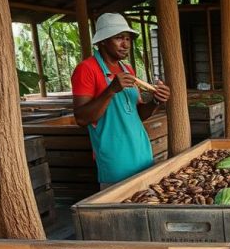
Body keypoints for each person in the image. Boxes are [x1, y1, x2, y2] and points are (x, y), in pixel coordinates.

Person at [72, 13, 171, 187]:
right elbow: (81, 118)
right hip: (115, 161)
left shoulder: (127, 69)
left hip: (142, 153)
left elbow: (137, 113)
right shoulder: (86, 69)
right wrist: (111, 90)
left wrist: (156, 101)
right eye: (119, 38)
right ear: (103, 41)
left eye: (127, 38)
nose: (126, 44)